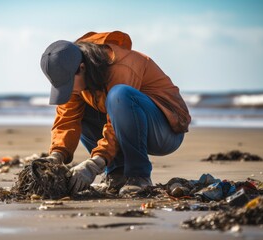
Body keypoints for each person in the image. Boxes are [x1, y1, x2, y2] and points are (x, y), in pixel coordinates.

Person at [40, 31, 191, 196]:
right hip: (126, 125)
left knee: (120, 95)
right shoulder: (75, 71)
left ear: (81, 68)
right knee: (84, 110)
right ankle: (117, 174)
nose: (68, 90)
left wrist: (95, 163)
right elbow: (67, 119)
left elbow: (117, 118)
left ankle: (139, 176)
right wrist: (56, 156)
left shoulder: (121, 66)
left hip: (165, 132)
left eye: (68, 84)